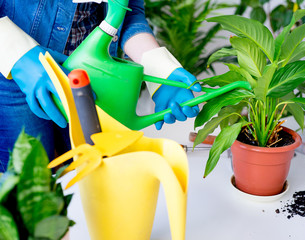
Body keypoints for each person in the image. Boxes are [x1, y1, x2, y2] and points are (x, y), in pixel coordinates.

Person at [0, 0, 201, 172]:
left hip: (92, 80)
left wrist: (157, 65)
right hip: (16, 75)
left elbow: (128, 13)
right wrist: (17, 55)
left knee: (88, 177)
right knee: (27, 180)